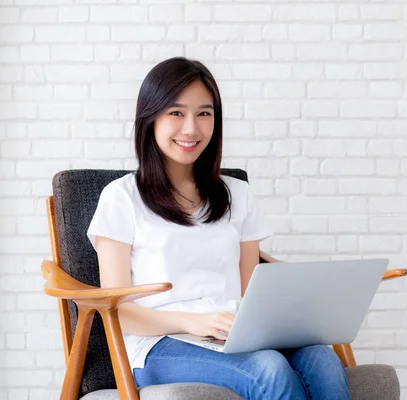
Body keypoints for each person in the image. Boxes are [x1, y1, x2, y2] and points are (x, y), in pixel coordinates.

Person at [86, 57, 351, 399]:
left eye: (204, 113)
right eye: (176, 113)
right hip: (158, 344)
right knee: (267, 369)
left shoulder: (237, 194)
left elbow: (248, 291)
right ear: (150, 118)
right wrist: (192, 322)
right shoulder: (121, 197)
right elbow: (119, 312)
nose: (191, 129)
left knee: (321, 359)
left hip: (233, 334)